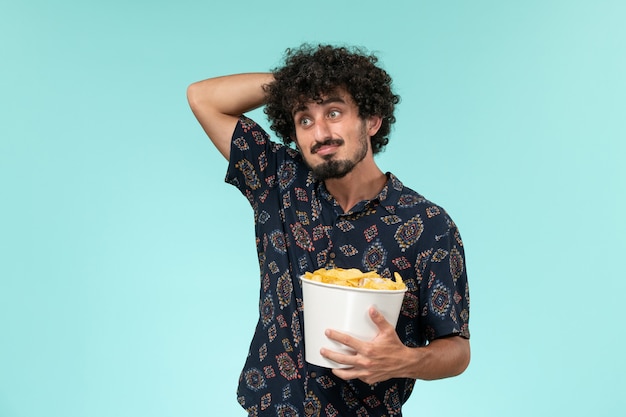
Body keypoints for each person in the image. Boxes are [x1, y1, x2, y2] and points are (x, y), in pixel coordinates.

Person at [187, 44, 470, 417]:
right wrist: (297, 84)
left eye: (334, 112)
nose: (320, 132)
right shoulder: (278, 180)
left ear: (371, 120)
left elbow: (456, 349)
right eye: (304, 119)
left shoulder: (428, 225)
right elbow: (203, 98)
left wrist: (403, 360)